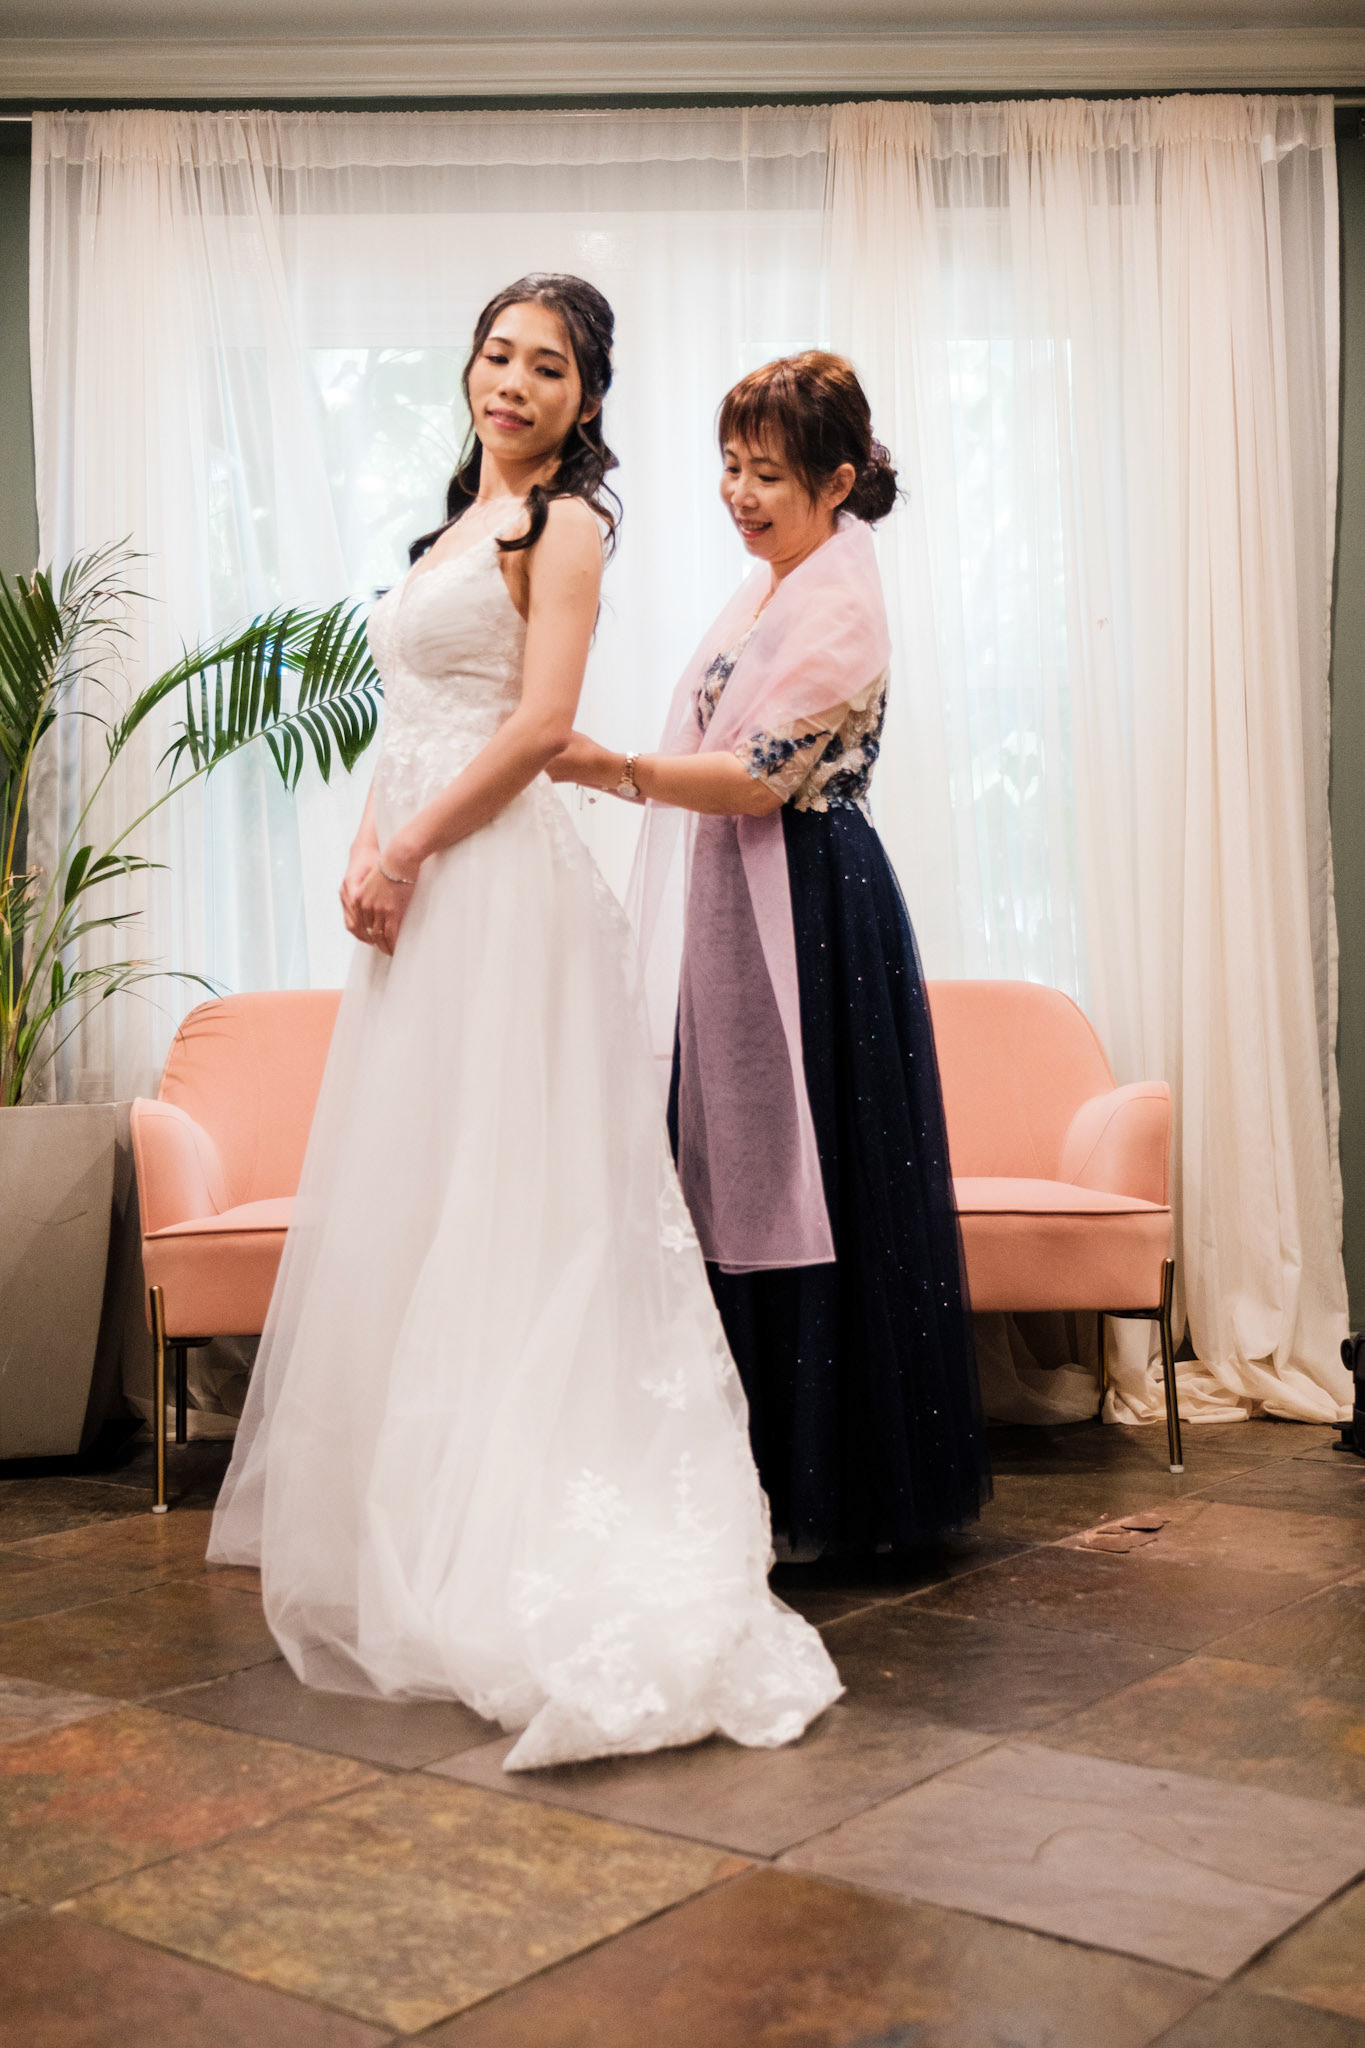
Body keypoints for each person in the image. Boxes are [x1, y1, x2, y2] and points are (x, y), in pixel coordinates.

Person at [208, 277, 840, 1767]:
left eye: (546, 366)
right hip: (426, 888)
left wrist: (415, 848)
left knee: (515, 1199)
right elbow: (414, 722)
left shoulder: (565, 529)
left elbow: (541, 724)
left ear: (586, 400)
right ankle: (419, 1514)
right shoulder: (453, 530)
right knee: (427, 1193)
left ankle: (521, 1529)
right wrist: (368, 850)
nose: (512, 381)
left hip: (496, 888)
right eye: (496, 354)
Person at [550, 350, 991, 1561]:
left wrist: (607, 767)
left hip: (814, 905)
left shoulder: (837, 598)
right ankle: (743, 1472)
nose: (740, 495)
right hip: (745, 904)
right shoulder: (770, 586)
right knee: (739, 1164)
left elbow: (758, 777)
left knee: (823, 1176)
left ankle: (829, 1486)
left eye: (769, 476)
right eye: (731, 468)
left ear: (837, 482)